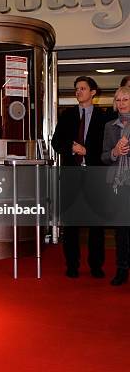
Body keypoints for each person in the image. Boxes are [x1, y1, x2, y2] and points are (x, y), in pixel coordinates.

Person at [51, 76, 107, 278]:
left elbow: (106, 148)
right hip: (71, 176)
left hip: (94, 176)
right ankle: (72, 265)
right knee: (71, 224)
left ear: (93, 92)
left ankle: (96, 266)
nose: (78, 92)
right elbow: (56, 142)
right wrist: (72, 148)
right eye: (76, 89)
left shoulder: (104, 118)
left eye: (83, 88)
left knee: (96, 225)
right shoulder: (67, 116)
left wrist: (87, 151)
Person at [101, 86, 130, 286]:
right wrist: (114, 152)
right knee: (121, 230)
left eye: (125, 99)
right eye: (118, 100)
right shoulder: (109, 126)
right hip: (118, 185)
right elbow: (103, 156)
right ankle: (121, 269)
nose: (121, 103)